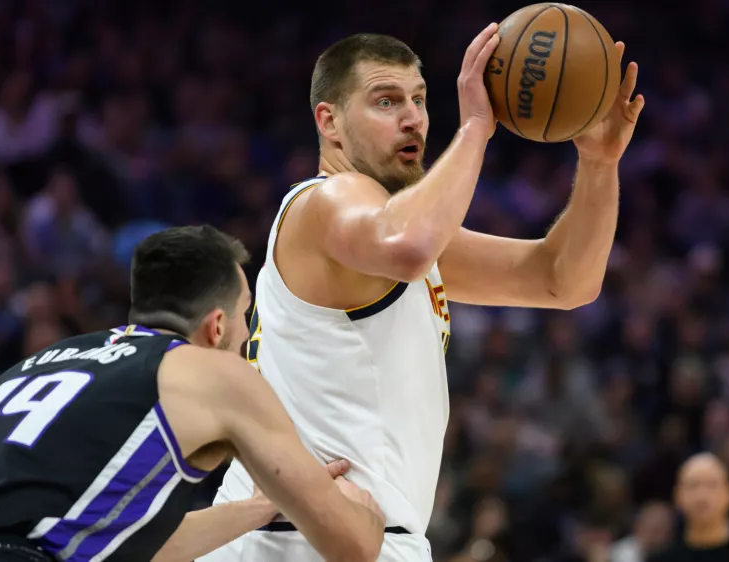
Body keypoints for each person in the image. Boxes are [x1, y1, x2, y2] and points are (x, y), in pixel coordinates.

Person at [201, 21, 645, 562]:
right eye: (386, 102)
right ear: (329, 121)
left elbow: (563, 280)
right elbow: (409, 245)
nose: (412, 118)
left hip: (365, 538)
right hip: (295, 540)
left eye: (419, 99)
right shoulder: (326, 202)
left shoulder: (392, 235)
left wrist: (599, 163)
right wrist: (476, 126)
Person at [0, 225, 385, 562]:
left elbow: (131, 545)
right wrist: (372, 512)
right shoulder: (211, 372)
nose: (247, 330)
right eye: (245, 313)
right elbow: (352, 546)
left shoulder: (44, 360)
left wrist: (259, 507)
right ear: (216, 325)